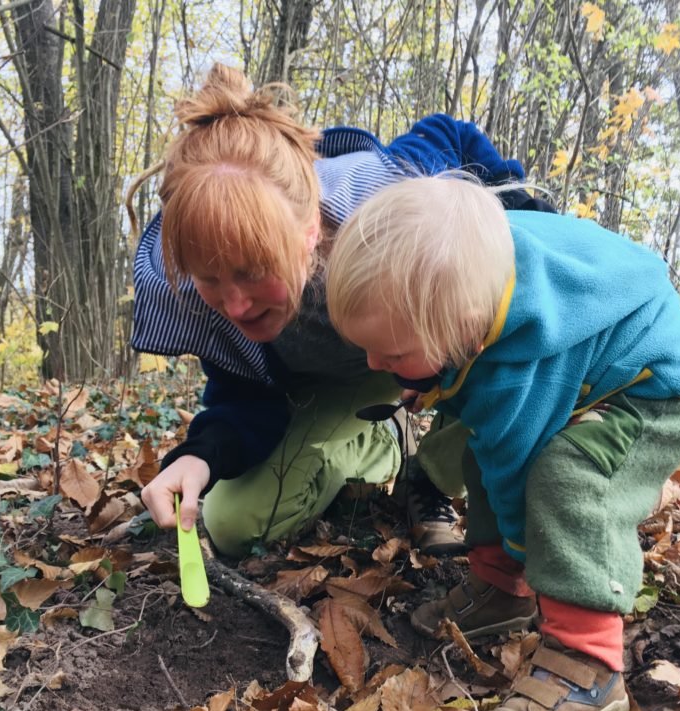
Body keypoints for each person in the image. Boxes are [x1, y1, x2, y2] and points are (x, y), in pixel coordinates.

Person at [325, 174, 680, 711]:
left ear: (466, 330)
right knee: (475, 445)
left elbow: (516, 470)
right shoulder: (474, 276)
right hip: (587, 377)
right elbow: (465, 393)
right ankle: (499, 591)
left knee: (566, 477)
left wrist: (533, 561)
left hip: (657, 394)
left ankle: (587, 663)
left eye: (395, 353)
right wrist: (426, 375)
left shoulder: (518, 361)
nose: (375, 361)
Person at [127, 63, 552, 558]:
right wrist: (199, 457)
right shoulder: (209, 297)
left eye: (253, 270)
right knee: (233, 523)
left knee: (505, 322)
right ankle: (383, 441)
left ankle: (434, 474)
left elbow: (453, 137)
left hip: (434, 350)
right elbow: (243, 397)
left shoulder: (389, 203)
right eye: (211, 279)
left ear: (309, 231)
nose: (236, 304)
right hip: (337, 388)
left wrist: (525, 219)